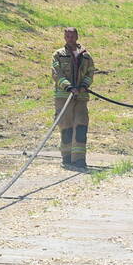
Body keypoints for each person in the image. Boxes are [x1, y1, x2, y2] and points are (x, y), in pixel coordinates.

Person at [51, 27, 94, 169]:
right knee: (66, 127)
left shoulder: (86, 56)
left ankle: (79, 159)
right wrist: (68, 87)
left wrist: (83, 86)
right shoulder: (58, 55)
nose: (70, 39)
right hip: (64, 98)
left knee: (81, 126)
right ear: (64, 37)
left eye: (72, 36)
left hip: (81, 98)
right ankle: (67, 157)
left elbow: (90, 73)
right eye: (67, 36)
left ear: (77, 36)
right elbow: (57, 74)